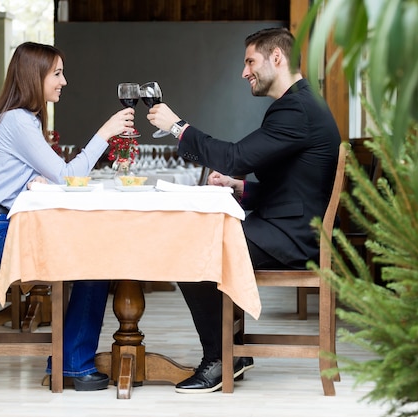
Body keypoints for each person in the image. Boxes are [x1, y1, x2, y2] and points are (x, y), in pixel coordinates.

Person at [146, 27, 341, 393]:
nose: (244, 72)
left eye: (250, 61)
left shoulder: (296, 109)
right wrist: (240, 187)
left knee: (192, 253)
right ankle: (228, 352)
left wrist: (177, 127)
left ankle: (221, 358)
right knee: (200, 244)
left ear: (277, 58)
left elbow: (235, 156)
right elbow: (292, 188)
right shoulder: (300, 104)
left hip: (295, 238)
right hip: (292, 225)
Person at [0, 41, 135, 391]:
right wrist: (105, 133)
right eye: (56, 73)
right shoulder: (17, 121)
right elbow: (70, 177)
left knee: (94, 255)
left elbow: (42, 176)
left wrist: (33, 181)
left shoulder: (17, 119)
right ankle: (72, 362)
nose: (64, 81)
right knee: (96, 260)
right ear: (34, 76)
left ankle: (71, 360)